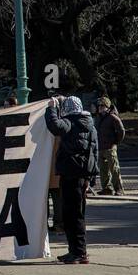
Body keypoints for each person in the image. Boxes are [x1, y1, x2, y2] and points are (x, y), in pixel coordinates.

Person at [44, 95, 98, 264]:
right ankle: (78, 251)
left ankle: (77, 252)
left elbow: (55, 126)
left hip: (70, 173)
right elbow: (94, 151)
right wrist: (91, 178)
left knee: (71, 215)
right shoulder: (90, 125)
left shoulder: (71, 122)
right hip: (83, 174)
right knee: (78, 214)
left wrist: (51, 108)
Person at [93, 97, 125, 196]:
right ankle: (106, 188)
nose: (100, 108)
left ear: (107, 107)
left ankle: (119, 189)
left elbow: (121, 131)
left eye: (102, 106)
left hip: (110, 147)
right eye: (99, 106)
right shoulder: (98, 117)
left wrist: (115, 142)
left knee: (114, 169)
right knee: (103, 170)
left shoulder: (113, 117)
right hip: (100, 147)